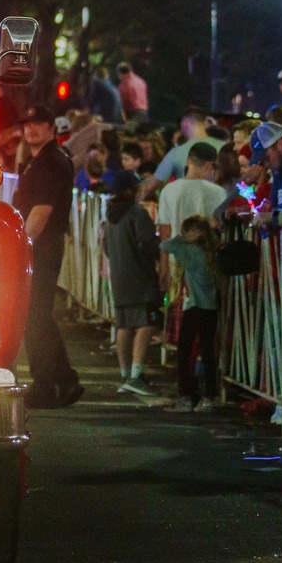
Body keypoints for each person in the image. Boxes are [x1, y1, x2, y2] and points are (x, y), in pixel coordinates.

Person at [11, 106, 83, 408]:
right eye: (28, 124)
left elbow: (41, 211)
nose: (32, 129)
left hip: (41, 246)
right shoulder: (40, 160)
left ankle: (48, 386)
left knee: (35, 317)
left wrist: (22, 247)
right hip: (42, 245)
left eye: (39, 123)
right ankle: (63, 381)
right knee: (38, 317)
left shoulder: (50, 163)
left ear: (52, 127)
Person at [102, 179, 161, 398]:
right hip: (140, 277)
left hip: (119, 278)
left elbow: (106, 247)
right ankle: (136, 376)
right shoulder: (137, 213)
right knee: (146, 324)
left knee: (124, 325)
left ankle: (125, 374)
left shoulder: (110, 216)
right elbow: (147, 243)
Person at [163, 216, 222, 411]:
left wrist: (183, 239)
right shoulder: (210, 253)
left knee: (184, 351)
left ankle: (186, 395)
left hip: (195, 307)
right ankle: (210, 395)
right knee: (207, 352)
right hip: (210, 308)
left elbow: (166, 245)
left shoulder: (191, 252)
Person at [156, 140, 228, 236]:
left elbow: (165, 228)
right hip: (206, 249)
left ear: (188, 161)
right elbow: (219, 225)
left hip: (176, 249)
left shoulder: (168, 190)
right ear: (209, 165)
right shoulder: (219, 192)